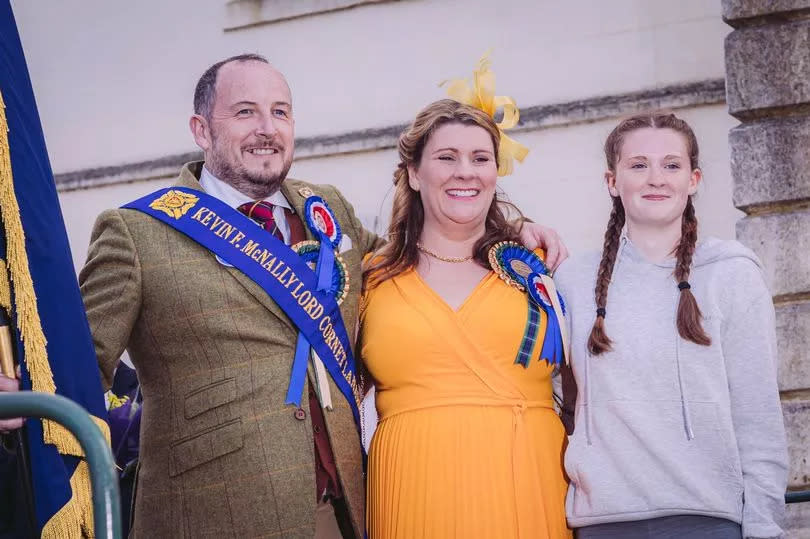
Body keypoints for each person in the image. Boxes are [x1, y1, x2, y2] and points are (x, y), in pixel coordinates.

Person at [74, 53, 566, 538]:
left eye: (280, 112)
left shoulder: (327, 209)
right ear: (201, 130)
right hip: (210, 512)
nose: (267, 127)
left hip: (339, 512)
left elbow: (422, 256)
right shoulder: (139, 231)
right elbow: (75, 364)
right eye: (246, 111)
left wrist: (510, 230)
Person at [555, 112, 788, 538]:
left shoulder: (731, 273)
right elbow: (553, 393)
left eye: (672, 165)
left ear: (693, 179)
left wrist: (764, 526)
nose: (656, 178)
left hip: (709, 520)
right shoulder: (572, 280)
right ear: (613, 181)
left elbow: (757, 414)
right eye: (638, 165)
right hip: (604, 522)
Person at [360, 97, 572, 538]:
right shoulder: (371, 278)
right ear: (415, 174)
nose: (465, 171)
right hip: (413, 495)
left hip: (526, 487)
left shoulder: (539, 267)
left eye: (480, 158)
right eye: (446, 157)